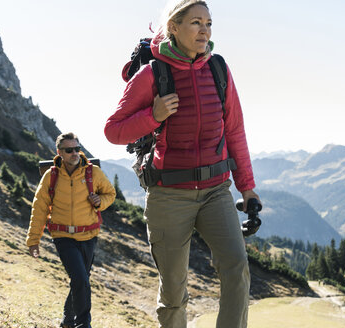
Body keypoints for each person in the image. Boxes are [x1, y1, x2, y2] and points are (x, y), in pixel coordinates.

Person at [104, 1, 260, 327]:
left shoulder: (218, 69)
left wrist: (247, 189)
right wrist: (153, 116)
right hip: (169, 194)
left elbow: (234, 131)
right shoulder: (152, 74)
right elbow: (113, 130)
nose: (204, 30)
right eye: (195, 23)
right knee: (174, 294)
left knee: (237, 269)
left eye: (208, 23)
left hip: (217, 191)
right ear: (174, 28)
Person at [26, 132, 116, 328]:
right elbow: (39, 208)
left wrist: (100, 201)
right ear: (59, 152)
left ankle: (67, 322)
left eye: (77, 148)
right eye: (69, 150)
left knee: (80, 281)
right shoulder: (51, 176)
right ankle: (83, 324)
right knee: (80, 279)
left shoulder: (94, 173)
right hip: (63, 236)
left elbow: (110, 193)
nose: (75, 153)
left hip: (89, 235)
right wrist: (33, 240)